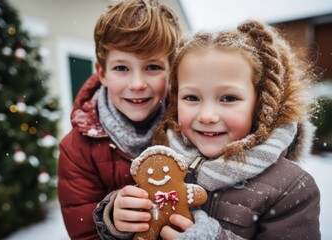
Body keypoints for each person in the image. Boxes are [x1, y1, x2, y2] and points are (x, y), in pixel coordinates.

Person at [95, 20, 321, 239]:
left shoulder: (291, 189)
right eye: (192, 97)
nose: (207, 116)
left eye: (229, 98)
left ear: (260, 103)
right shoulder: (161, 157)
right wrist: (117, 217)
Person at [57, 0, 181, 239]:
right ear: (102, 73)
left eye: (152, 67)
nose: (136, 84)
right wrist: (110, 220)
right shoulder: (77, 150)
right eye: (122, 68)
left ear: (171, 71)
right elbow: (84, 234)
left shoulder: (191, 129)